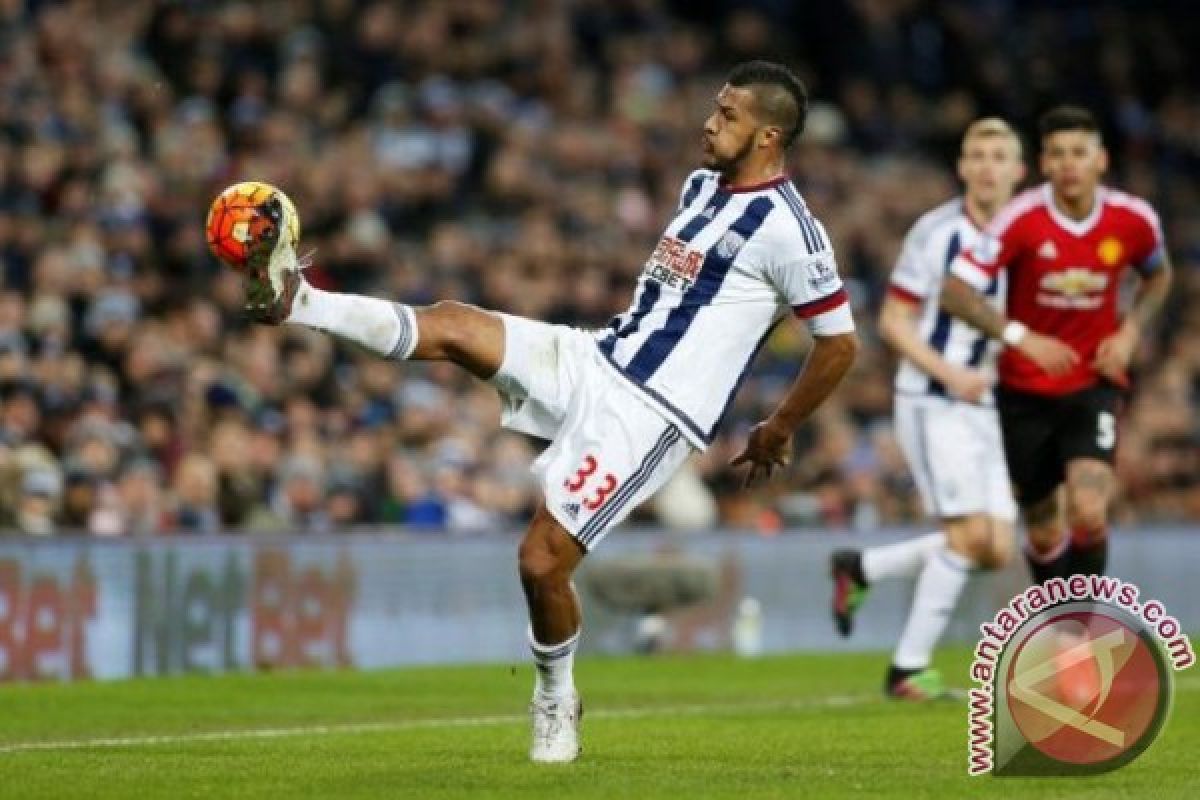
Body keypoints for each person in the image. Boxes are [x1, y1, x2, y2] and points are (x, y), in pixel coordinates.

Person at [235, 61, 859, 762]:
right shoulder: (698, 187)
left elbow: (839, 343)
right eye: (715, 109)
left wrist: (781, 426)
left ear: (769, 137)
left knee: (539, 562)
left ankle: (555, 697)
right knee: (454, 325)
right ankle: (297, 301)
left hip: (650, 415)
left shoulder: (791, 232)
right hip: (598, 357)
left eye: (730, 116)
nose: (711, 124)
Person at [830, 119, 1025, 699]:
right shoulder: (935, 233)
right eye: (977, 155)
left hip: (991, 405)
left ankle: (863, 568)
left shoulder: (1030, 238)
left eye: (999, 156)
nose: (988, 166)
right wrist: (949, 373)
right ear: (963, 167)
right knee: (966, 536)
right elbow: (894, 321)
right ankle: (908, 669)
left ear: (1019, 171)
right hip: (934, 397)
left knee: (995, 548)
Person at [942, 105, 1173, 583]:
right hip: (1024, 391)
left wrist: (1129, 331)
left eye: (1079, 153)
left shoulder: (1132, 219)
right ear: (1044, 164)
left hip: (1092, 383)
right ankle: (1056, 615)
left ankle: (1078, 635)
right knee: (1045, 532)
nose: (1069, 163)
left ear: (1101, 160)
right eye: (1058, 154)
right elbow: (955, 290)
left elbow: (1159, 275)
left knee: (1089, 511)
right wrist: (1020, 337)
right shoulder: (1019, 219)